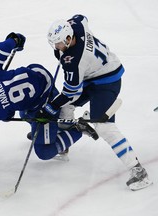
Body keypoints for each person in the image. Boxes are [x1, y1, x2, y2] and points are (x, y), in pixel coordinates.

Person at [38, 14, 152, 190]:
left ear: (69, 39)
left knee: (104, 126)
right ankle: (63, 146)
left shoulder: (73, 61)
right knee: (65, 107)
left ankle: (138, 171)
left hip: (107, 81)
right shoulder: (76, 26)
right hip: (94, 72)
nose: (57, 47)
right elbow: (81, 17)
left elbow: (70, 92)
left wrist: (51, 106)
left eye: (59, 43)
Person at [0, 32, 97, 162]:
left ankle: (78, 129)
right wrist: (14, 41)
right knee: (25, 114)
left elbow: (8, 116)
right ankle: (48, 131)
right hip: (40, 73)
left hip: (45, 105)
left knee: (44, 152)